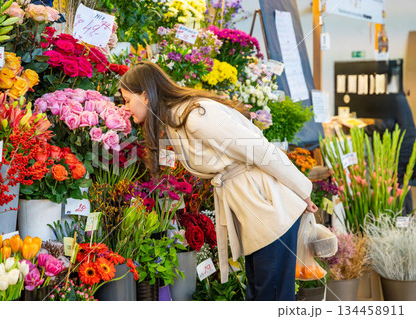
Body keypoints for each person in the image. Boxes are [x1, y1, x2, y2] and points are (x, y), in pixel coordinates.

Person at [120, 61, 318, 301]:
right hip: (256, 208)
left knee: (271, 296)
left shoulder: (194, 116)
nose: (125, 107)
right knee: (260, 295)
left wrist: (302, 190)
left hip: (269, 207)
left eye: (127, 100)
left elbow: (260, 150)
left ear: (145, 95)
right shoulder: (175, 122)